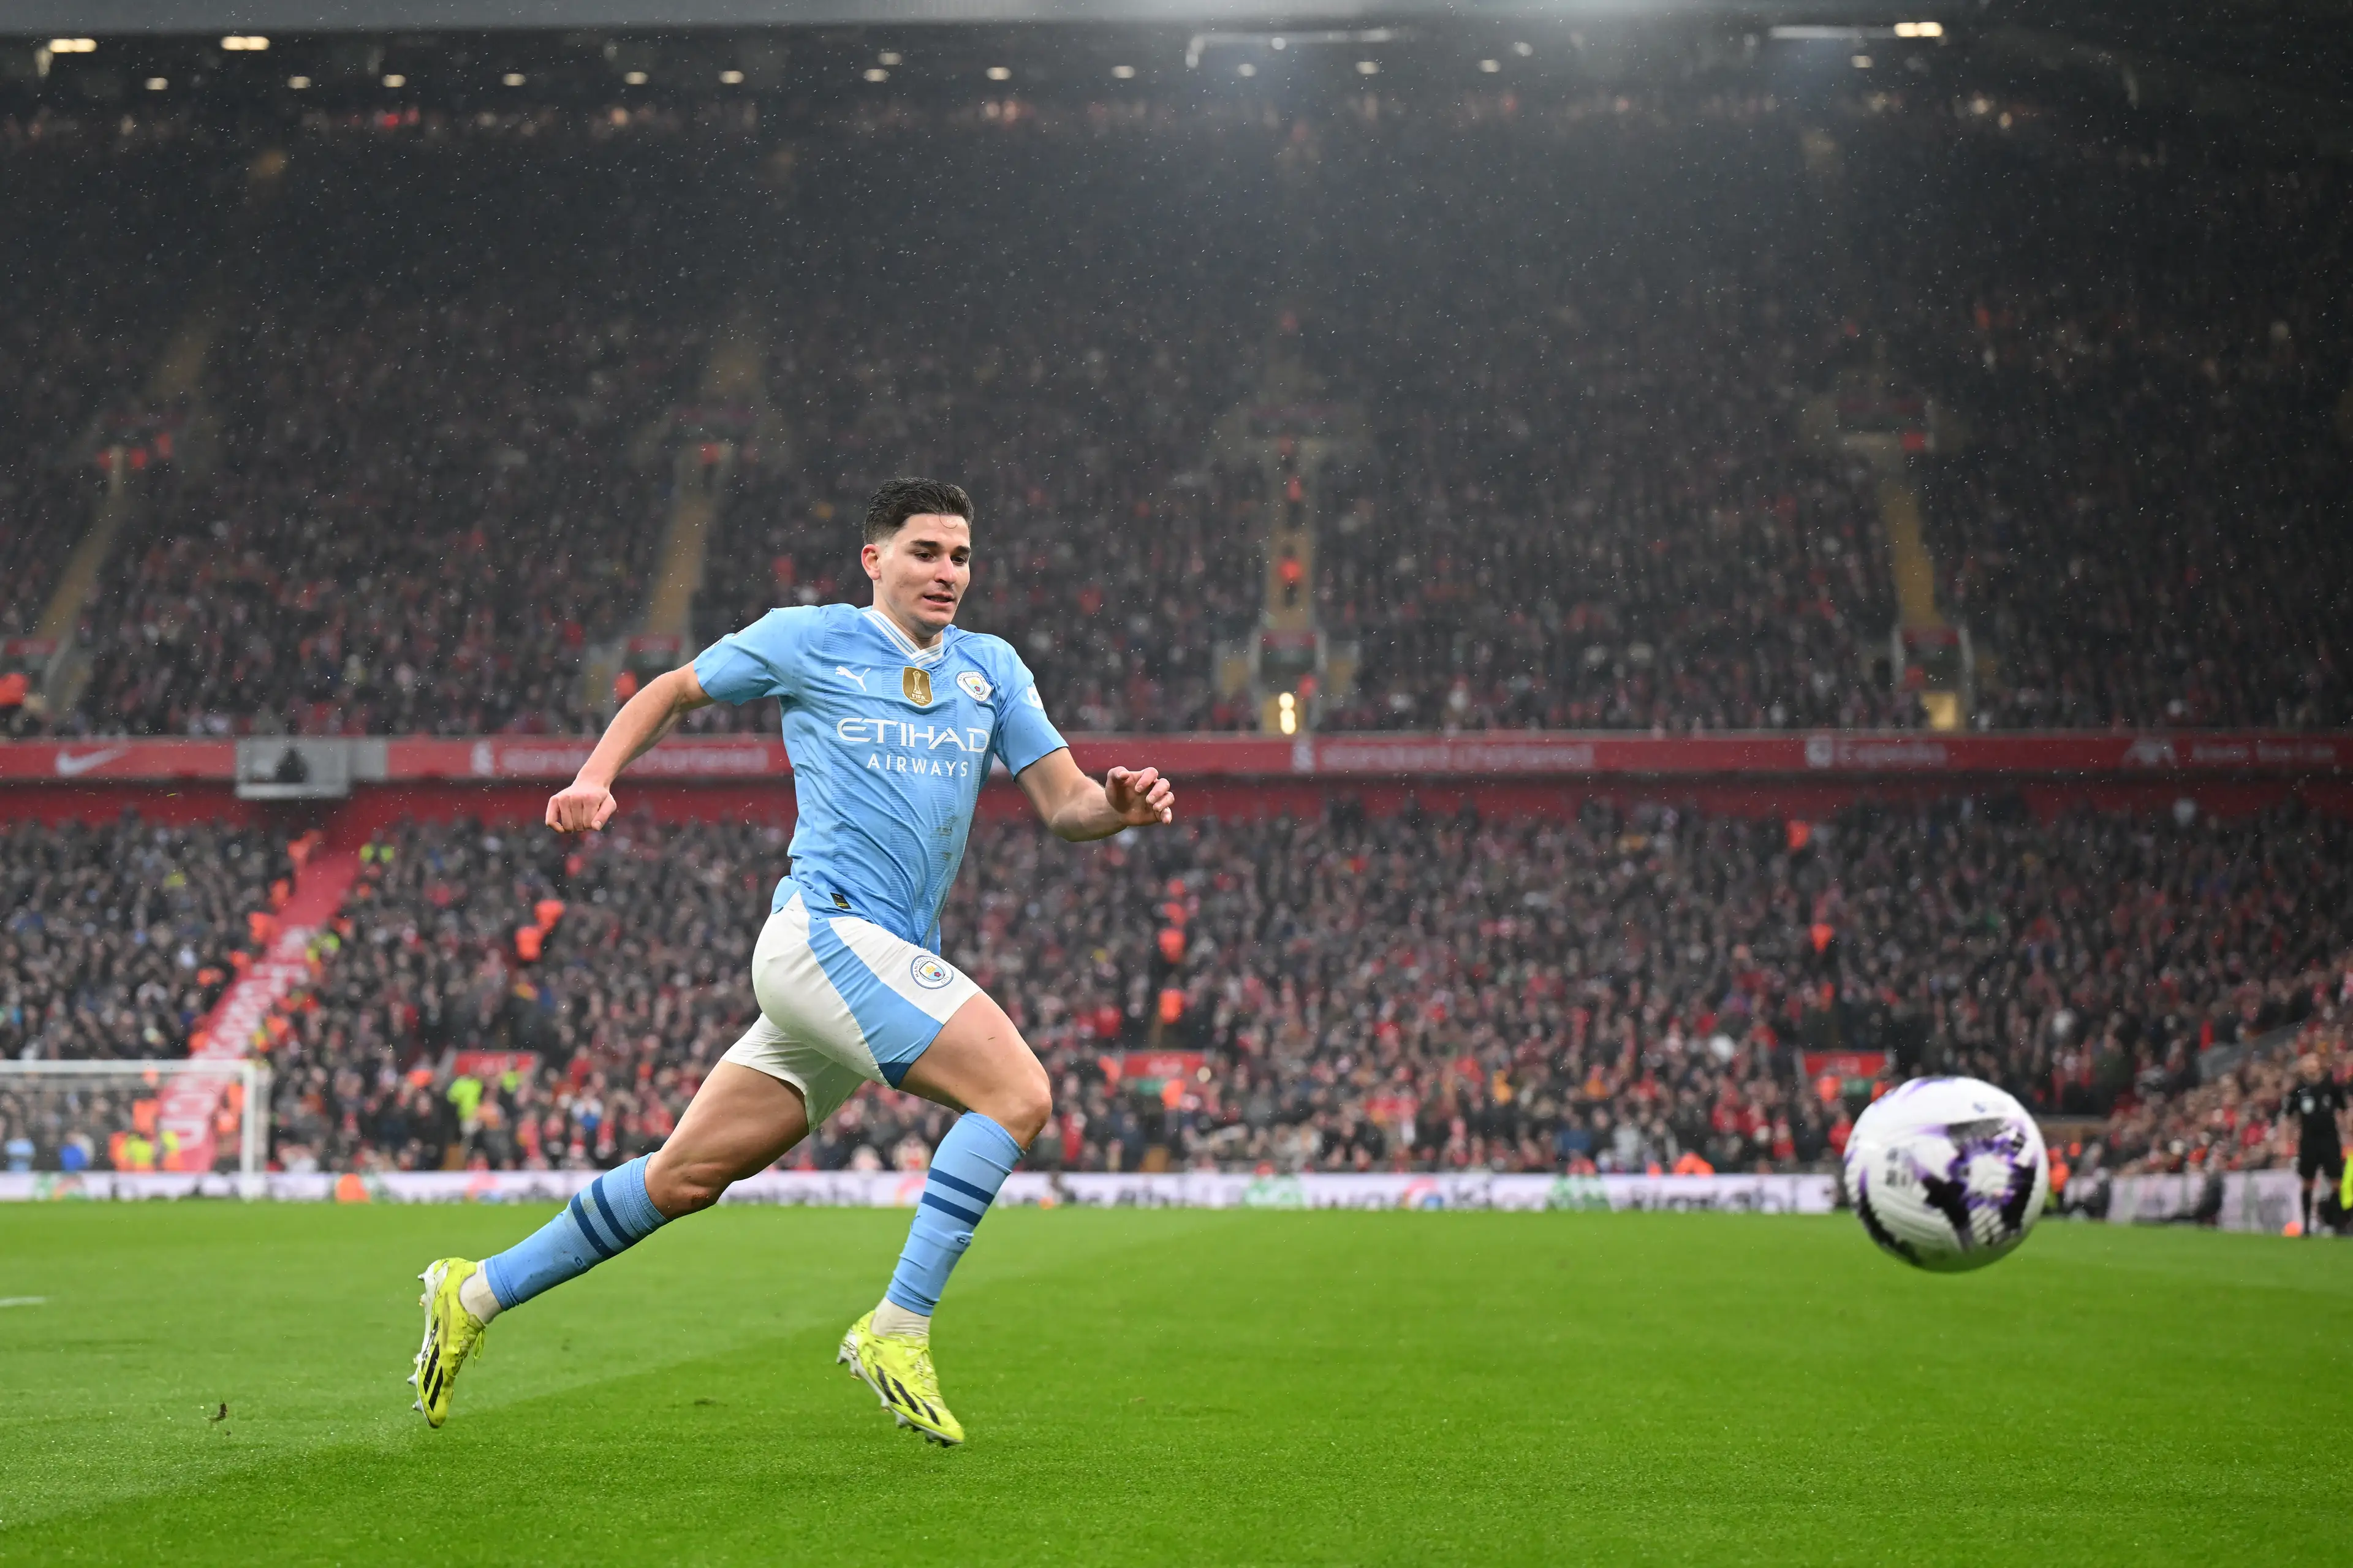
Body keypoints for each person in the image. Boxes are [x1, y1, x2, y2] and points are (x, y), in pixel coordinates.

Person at [408, 478, 1176, 1443]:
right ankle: (897, 1327)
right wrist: (594, 776)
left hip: (875, 956)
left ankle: (470, 1294)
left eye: (962, 556)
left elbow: (1067, 806)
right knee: (1018, 1091)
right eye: (927, 552)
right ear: (875, 560)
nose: (948, 573)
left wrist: (1121, 806)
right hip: (822, 931)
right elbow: (672, 689)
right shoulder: (806, 637)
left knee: (683, 1179)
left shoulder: (993, 668)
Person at [2281, 1053, 2348, 1238]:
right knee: (2308, 1183)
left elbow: (2344, 1110)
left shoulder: (2331, 1086)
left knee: (2337, 1182)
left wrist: (2347, 1133)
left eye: (2313, 1060)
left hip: (2330, 1140)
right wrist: (2288, 1141)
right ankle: (2307, 1227)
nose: (2310, 1064)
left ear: (2320, 1064)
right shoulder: (2298, 1090)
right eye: (2307, 1061)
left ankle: (2336, 1224)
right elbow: (2289, 1116)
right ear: (2302, 1066)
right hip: (2309, 1141)